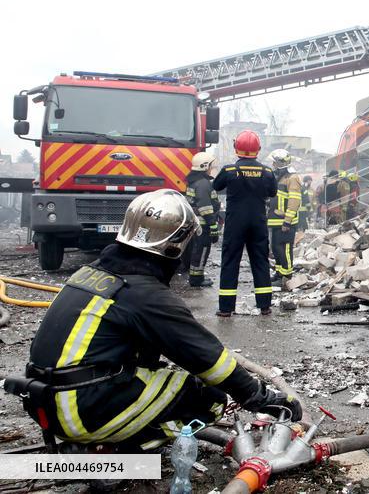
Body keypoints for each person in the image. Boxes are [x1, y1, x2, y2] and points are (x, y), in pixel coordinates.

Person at [14, 189, 301, 451]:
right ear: (175, 245)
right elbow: (209, 360)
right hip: (80, 410)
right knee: (208, 397)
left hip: (46, 402)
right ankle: (116, 456)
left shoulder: (92, 273)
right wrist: (261, 398)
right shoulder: (146, 294)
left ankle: (105, 437)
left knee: (160, 376)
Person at [213, 131, 277, 317]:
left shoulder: (229, 170)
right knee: (260, 262)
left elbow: (216, 186)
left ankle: (226, 308)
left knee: (230, 262)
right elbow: (272, 193)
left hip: (235, 223)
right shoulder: (267, 172)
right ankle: (264, 306)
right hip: (258, 223)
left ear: (236, 148)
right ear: (258, 149)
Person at [182, 152, 220, 288]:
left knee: (198, 250)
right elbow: (205, 207)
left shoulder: (196, 181)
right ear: (204, 166)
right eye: (210, 166)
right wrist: (213, 225)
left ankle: (196, 276)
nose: (212, 168)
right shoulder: (203, 184)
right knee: (202, 250)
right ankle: (197, 279)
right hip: (203, 224)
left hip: (198, 223)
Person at [266, 149, 301, 288]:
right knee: (276, 248)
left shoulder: (292, 178)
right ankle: (279, 273)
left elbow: (294, 200)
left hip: (285, 222)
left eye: (274, 162)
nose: (272, 164)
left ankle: (287, 276)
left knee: (285, 249)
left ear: (280, 163)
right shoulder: (279, 177)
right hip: (275, 220)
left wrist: (287, 220)